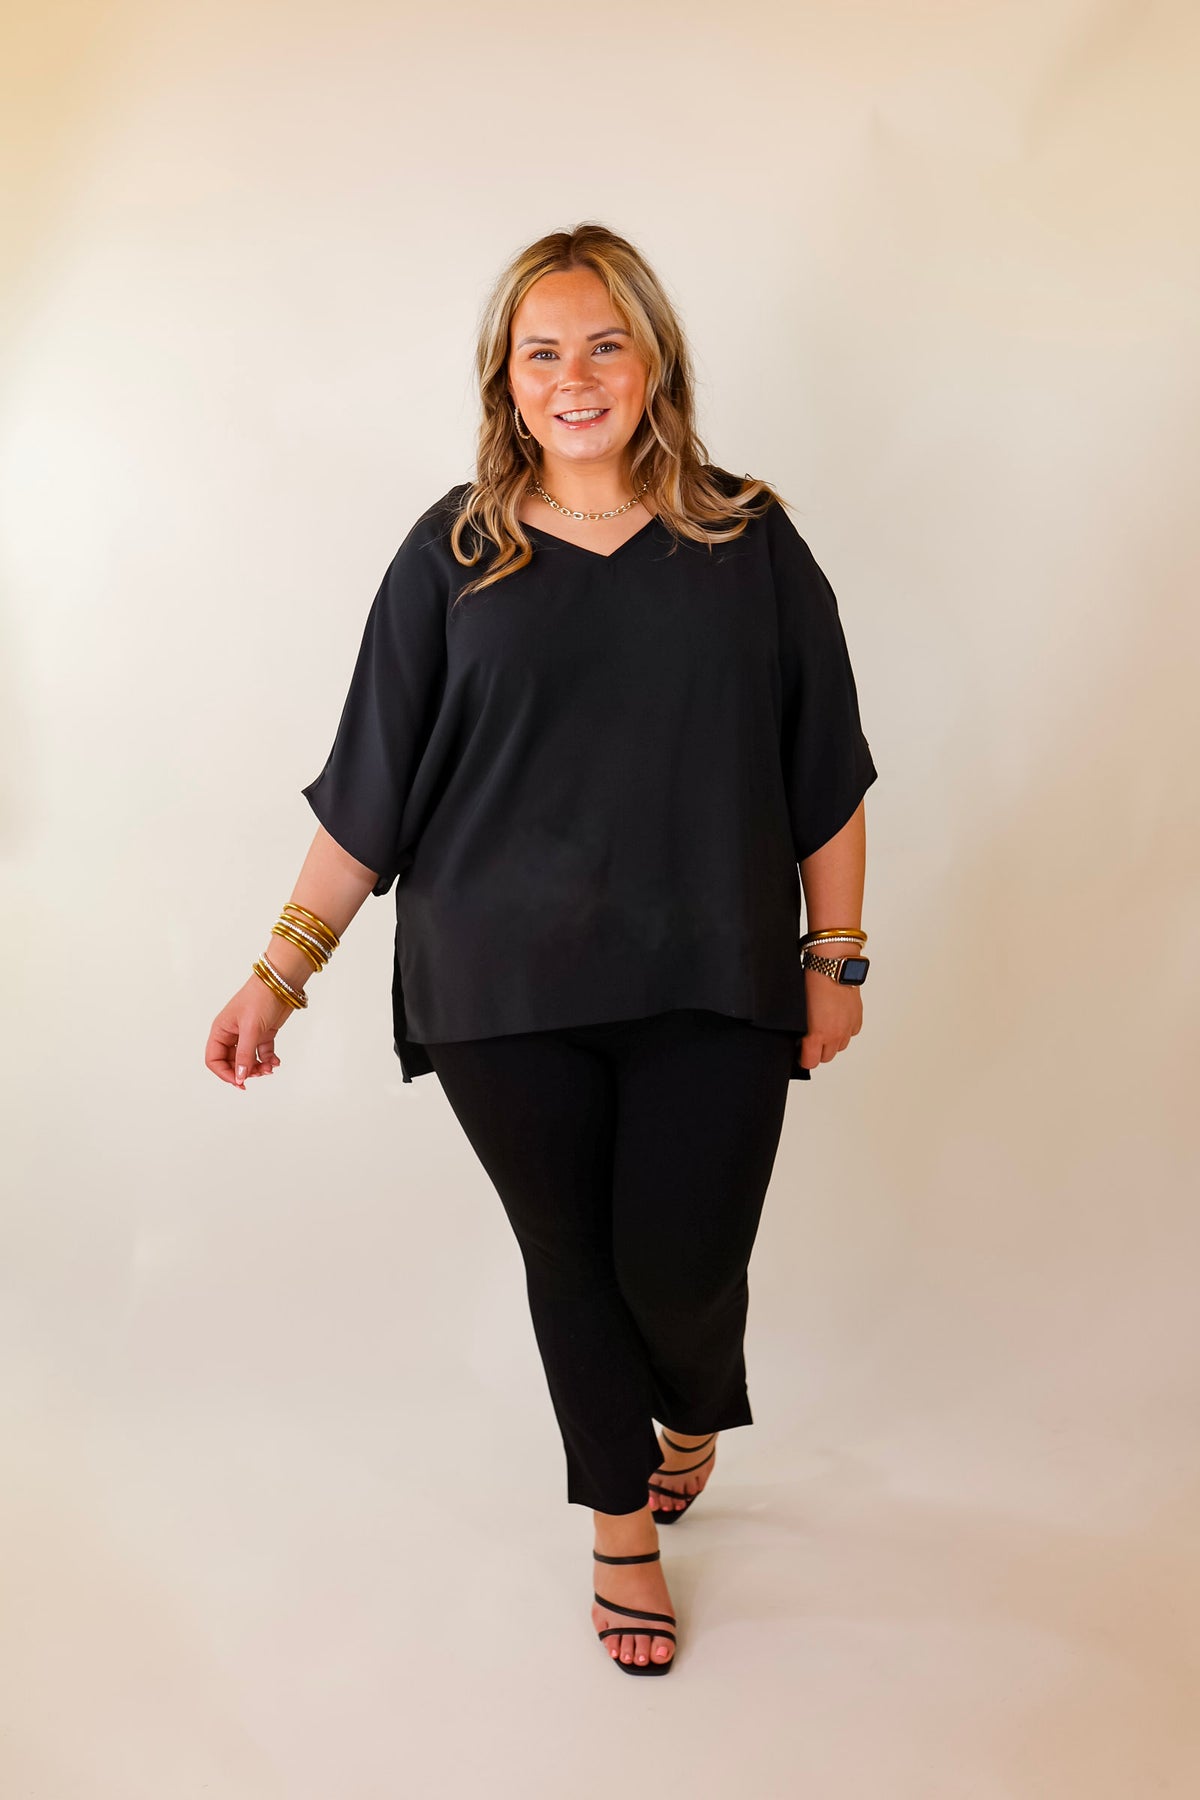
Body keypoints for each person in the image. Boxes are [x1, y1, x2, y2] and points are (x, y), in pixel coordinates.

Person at [205, 222, 878, 1678]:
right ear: (506, 381)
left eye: (604, 345)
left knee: (684, 1268)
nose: (576, 378)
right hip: (499, 983)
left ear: (654, 361)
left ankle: (688, 1406)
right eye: (543, 353)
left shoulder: (746, 537)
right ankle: (620, 1526)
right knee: (570, 1259)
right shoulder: (453, 549)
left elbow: (824, 763)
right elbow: (372, 790)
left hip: (714, 967)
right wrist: (280, 972)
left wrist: (837, 958)